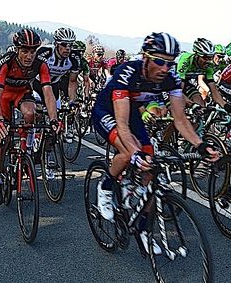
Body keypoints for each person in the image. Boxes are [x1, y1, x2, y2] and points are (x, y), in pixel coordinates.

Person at [91, 32, 220, 254]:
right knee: (126, 152)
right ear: (146, 57)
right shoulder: (127, 73)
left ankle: (142, 228)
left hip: (131, 113)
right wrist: (134, 153)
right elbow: (122, 126)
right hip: (108, 111)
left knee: (152, 171)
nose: (164, 68)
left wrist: (200, 145)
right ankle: (106, 185)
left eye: (169, 63)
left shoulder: (171, 79)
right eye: (159, 61)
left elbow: (180, 120)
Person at [0, 28, 59, 205]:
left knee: (30, 112)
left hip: (22, 93)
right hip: (4, 96)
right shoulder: (5, 62)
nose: (29, 56)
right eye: (25, 51)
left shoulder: (41, 64)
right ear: (17, 50)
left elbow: (48, 93)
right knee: (1, 141)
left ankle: (26, 150)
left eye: (32, 51)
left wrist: (53, 120)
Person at [177, 38, 231, 110]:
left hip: (186, 83)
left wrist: (226, 107)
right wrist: (191, 104)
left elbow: (214, 91)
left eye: (210, 57)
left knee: (201, 105)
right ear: (197, 55)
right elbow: (177, 91)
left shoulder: (209, 67)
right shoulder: (186, 60)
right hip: (169, 82)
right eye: (205, 58)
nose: (208, 61)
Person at [32, 27, 80, 108]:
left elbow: (72, 81)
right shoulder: (45, 52)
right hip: (36, 85)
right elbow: (30, 73)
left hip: (54, 86)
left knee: (56, 117)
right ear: (56, 44)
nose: (68, 48)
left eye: (70, 45)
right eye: (64, 44)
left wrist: (72, 100)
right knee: (37, 111)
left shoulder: (74, 57)